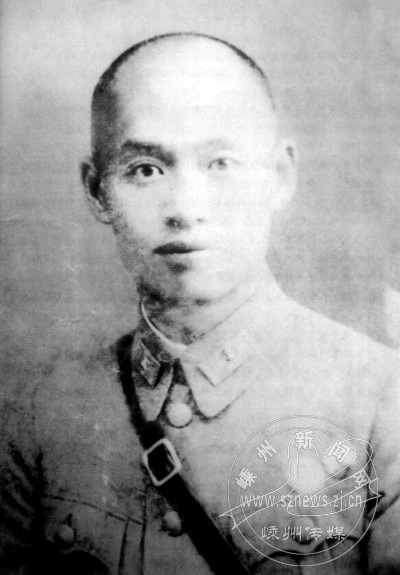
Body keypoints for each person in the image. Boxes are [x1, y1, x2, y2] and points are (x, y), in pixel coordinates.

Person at [1, 32, 400, 575]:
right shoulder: (39, 415)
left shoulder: (382, 402)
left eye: (220, 163)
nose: (185, 208)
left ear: (279, 176)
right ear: (96, 190)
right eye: (146, 169)